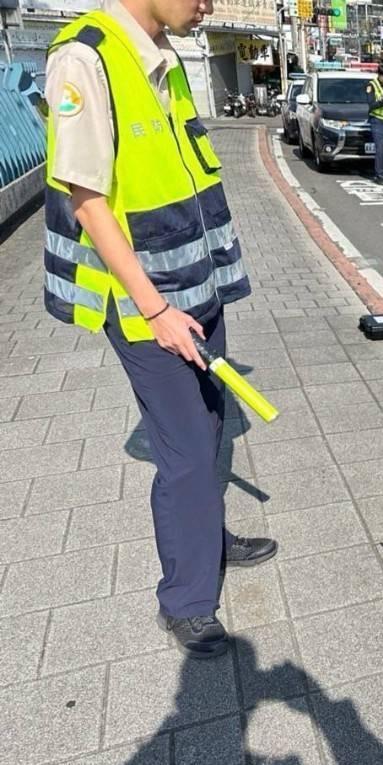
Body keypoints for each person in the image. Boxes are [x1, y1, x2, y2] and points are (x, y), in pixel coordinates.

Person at [43, 0, 277, 659]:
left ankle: (207, 541)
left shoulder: (162, 55)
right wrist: (154, 310)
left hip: (197, 290)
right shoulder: (84, 57)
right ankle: (186, 599)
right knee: (187, 453)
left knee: (212, 427)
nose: (208, 6)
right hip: (146, 306)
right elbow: (87, 201)